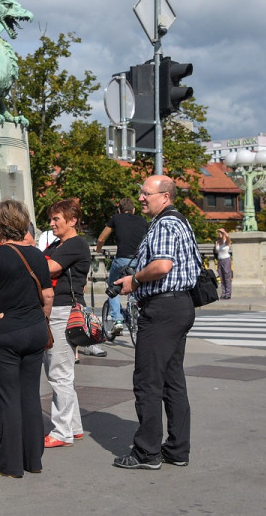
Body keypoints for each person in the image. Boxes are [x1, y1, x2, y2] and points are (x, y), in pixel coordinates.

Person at [112, 175, 199, 470]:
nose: (140, 198)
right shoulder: (180, 221)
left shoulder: (164, 224)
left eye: (145, 193)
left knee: (148, 382)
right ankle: (177, 449)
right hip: (179, 305)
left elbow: (162, 266)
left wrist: (135, 279)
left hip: (162, 309)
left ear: (165, 195)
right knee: (172, 381)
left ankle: (147, 452)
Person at [0, 201, 54, 477]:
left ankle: (9, 464)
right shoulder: (36, 255)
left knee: (8, 399)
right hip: (34, 329)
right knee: (30, 396)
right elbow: (48, 295)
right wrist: (40, 319)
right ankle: (33, 460)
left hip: (5, 331)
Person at [41, 199, 91, 448]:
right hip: (59, 309)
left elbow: (48, 267)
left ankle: (61, 432)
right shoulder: (57, 243)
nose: (51, 224)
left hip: (63, 310)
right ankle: (74, 426)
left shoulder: (75, 244)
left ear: (72, 220)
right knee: (64, 373)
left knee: (58, 373)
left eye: (56, 219)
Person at [96, 198, 148, 335]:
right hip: (139, 261)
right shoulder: (143, 221)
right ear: (134, 210)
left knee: (113, 287)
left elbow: (101, 238)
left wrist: (98, 250)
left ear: (119, 210)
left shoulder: (116, 218)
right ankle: (135, 305)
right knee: (136, 284)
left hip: (122, 260)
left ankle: (118, 320)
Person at [215, 229, 232, 299]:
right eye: (219, 233)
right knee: (222, 277)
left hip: (226, 260)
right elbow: (216, 252)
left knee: (227, 277)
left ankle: (228, 294)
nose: (219, 234)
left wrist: (224, 231)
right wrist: (216, 245)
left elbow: (228, 237)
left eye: (220, 233)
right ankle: (223, 293)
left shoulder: (226, 241)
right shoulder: (218, 242)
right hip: (220, 260)